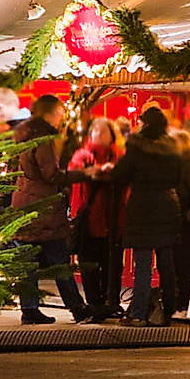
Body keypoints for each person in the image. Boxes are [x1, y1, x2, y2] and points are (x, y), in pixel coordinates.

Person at [101, 107, 190, 327]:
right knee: (166, 262)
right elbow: (178, 177)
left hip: (143, 206)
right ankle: (169, 310)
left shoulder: (137, 149)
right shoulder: (173, 150)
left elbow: (120, 175)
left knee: (143, 263)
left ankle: (138, 312)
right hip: (168, 205)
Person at [7, 95, 88, 324]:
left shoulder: (21, 134)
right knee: (59, 259)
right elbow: (50, 173)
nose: (62, 118)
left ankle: (30, 308)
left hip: (23, 202)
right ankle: (76, 306)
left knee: (28, 262)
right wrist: (80, 175)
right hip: (43, 206)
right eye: (60, 113)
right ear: (51, 113)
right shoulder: (42, 136)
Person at [67, 117, 127, 323]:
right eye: (96, 131)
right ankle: (94, 303)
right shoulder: (83, 155)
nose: (98, 135)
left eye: (103, 132)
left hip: (114, 221)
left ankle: (110, 301)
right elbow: (74, 173)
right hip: (89, 222)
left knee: (113, 264)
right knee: (89, 265)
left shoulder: (119, 156)